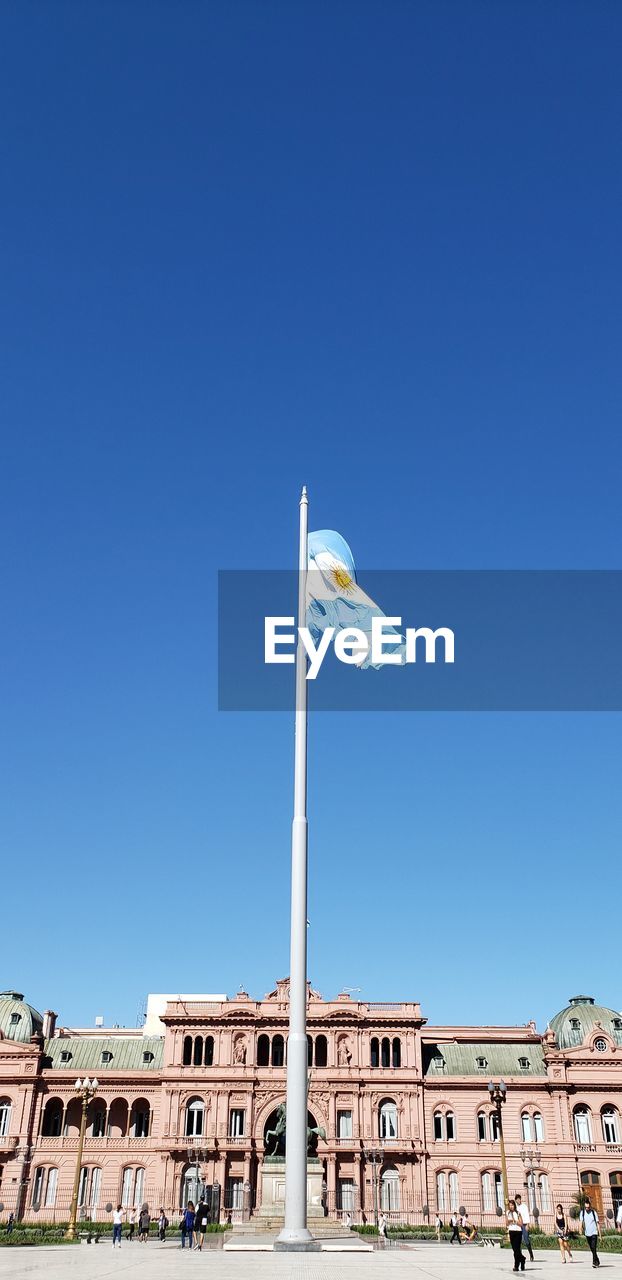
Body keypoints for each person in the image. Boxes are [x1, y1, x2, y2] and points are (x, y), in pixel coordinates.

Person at [580, 1197, 600, 1268]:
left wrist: (600, 1234)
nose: (587, 1209)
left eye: (588, 1207)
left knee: (593, 1247)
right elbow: (581, 1222)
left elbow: (597, 1223)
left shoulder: (594, 1213)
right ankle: (597, 1260)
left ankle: (594, 1262)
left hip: (594, 1233)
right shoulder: (582, 1213)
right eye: (586, 1207)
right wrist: (580, 1229)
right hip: (587, 1233)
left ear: (590, 1206)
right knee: (592, 1248)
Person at [507, 1199, 525, 1272]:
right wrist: (509, 1221)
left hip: (518, 1232)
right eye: (510, 1205)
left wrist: (515, 1221)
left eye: (512, 1205)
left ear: (514, 1205)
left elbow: (521, 1223)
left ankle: (516, 1266)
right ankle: (522, 1259)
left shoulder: (518, 1213)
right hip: (511, 1231)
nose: (511, 1206)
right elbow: (506, 1223)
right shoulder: (508, 1213)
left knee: (517, 1250)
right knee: (515, 1250)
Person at [515, 1195, 534, 1263]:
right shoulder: (516, 1208)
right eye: (517, 1199)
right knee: (519, 1241)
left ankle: (531, 1254)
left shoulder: (524, 1206)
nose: (518, 1200)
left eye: (519, 1199)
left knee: (526, 1241)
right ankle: (520, 1256)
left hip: (524, 1224)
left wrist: (527, 1225)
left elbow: (526, 1215)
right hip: (519, 1225)